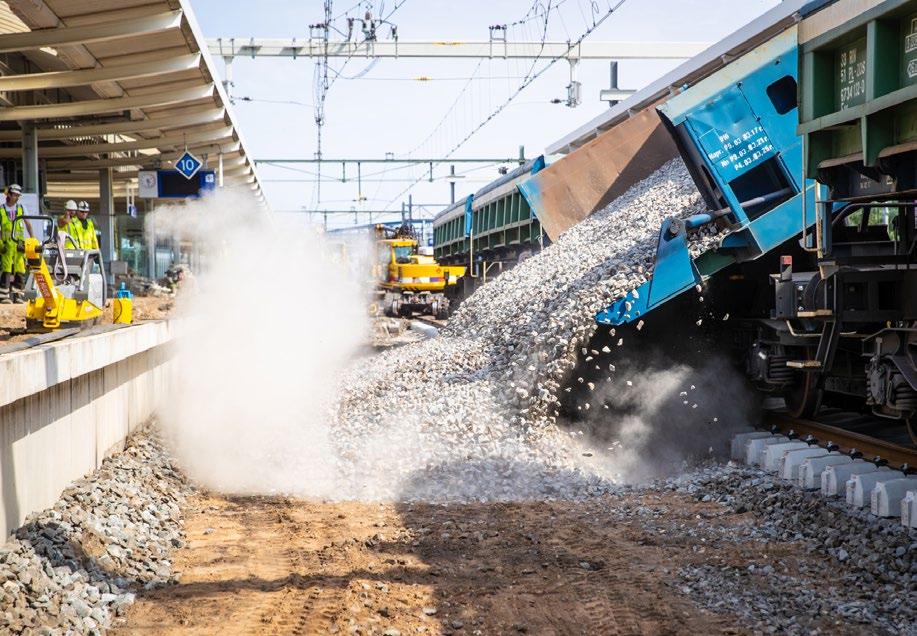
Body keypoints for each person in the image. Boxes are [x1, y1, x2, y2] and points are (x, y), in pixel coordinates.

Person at [0, 184, 32, 304]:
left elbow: (28, 224)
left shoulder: (21, 208)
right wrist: (0, 244)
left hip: (19, 245)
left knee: (20, 269)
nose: (17, 197)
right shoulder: (1, 209)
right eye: (15, 195)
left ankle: (19, 295)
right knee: (6, 269)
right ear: (9, 194)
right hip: (6, 245)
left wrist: (32, 240)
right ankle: (4, 296)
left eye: (18, 195)